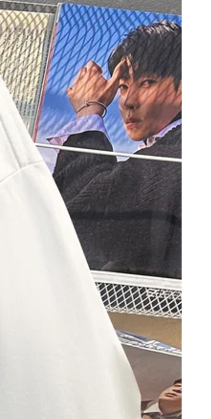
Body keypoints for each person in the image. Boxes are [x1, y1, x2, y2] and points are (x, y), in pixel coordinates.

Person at [44, 20, 182, 279]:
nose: (129, 101)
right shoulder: (164, 151)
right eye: (123, 87)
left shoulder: (177, 153)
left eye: (147, 83)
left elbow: (82, 217)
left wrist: (90, 110)